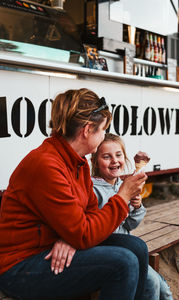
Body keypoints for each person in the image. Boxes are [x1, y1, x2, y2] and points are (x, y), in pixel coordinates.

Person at [0, 88, 148, 300]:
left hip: (51, 248)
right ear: (87, 130)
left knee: (137, 247)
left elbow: (87, 215)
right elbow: (84, 233)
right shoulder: (46, 165)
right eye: (103, 130)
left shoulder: (77, 161)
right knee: (123, 263)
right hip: (20, 266)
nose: (105, 135)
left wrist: (69, 238)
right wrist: (122, 197)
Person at [91, 133, 174, 300]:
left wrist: (136, 207)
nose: (114, 160)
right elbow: (97, 225)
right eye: (107, 157)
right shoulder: (93, 189)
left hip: (131, 249)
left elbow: (130, 225)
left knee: (164, 290)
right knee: (152, 284)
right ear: (95, 161)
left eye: (118, 155)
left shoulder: (123, 184)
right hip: (110, 250)